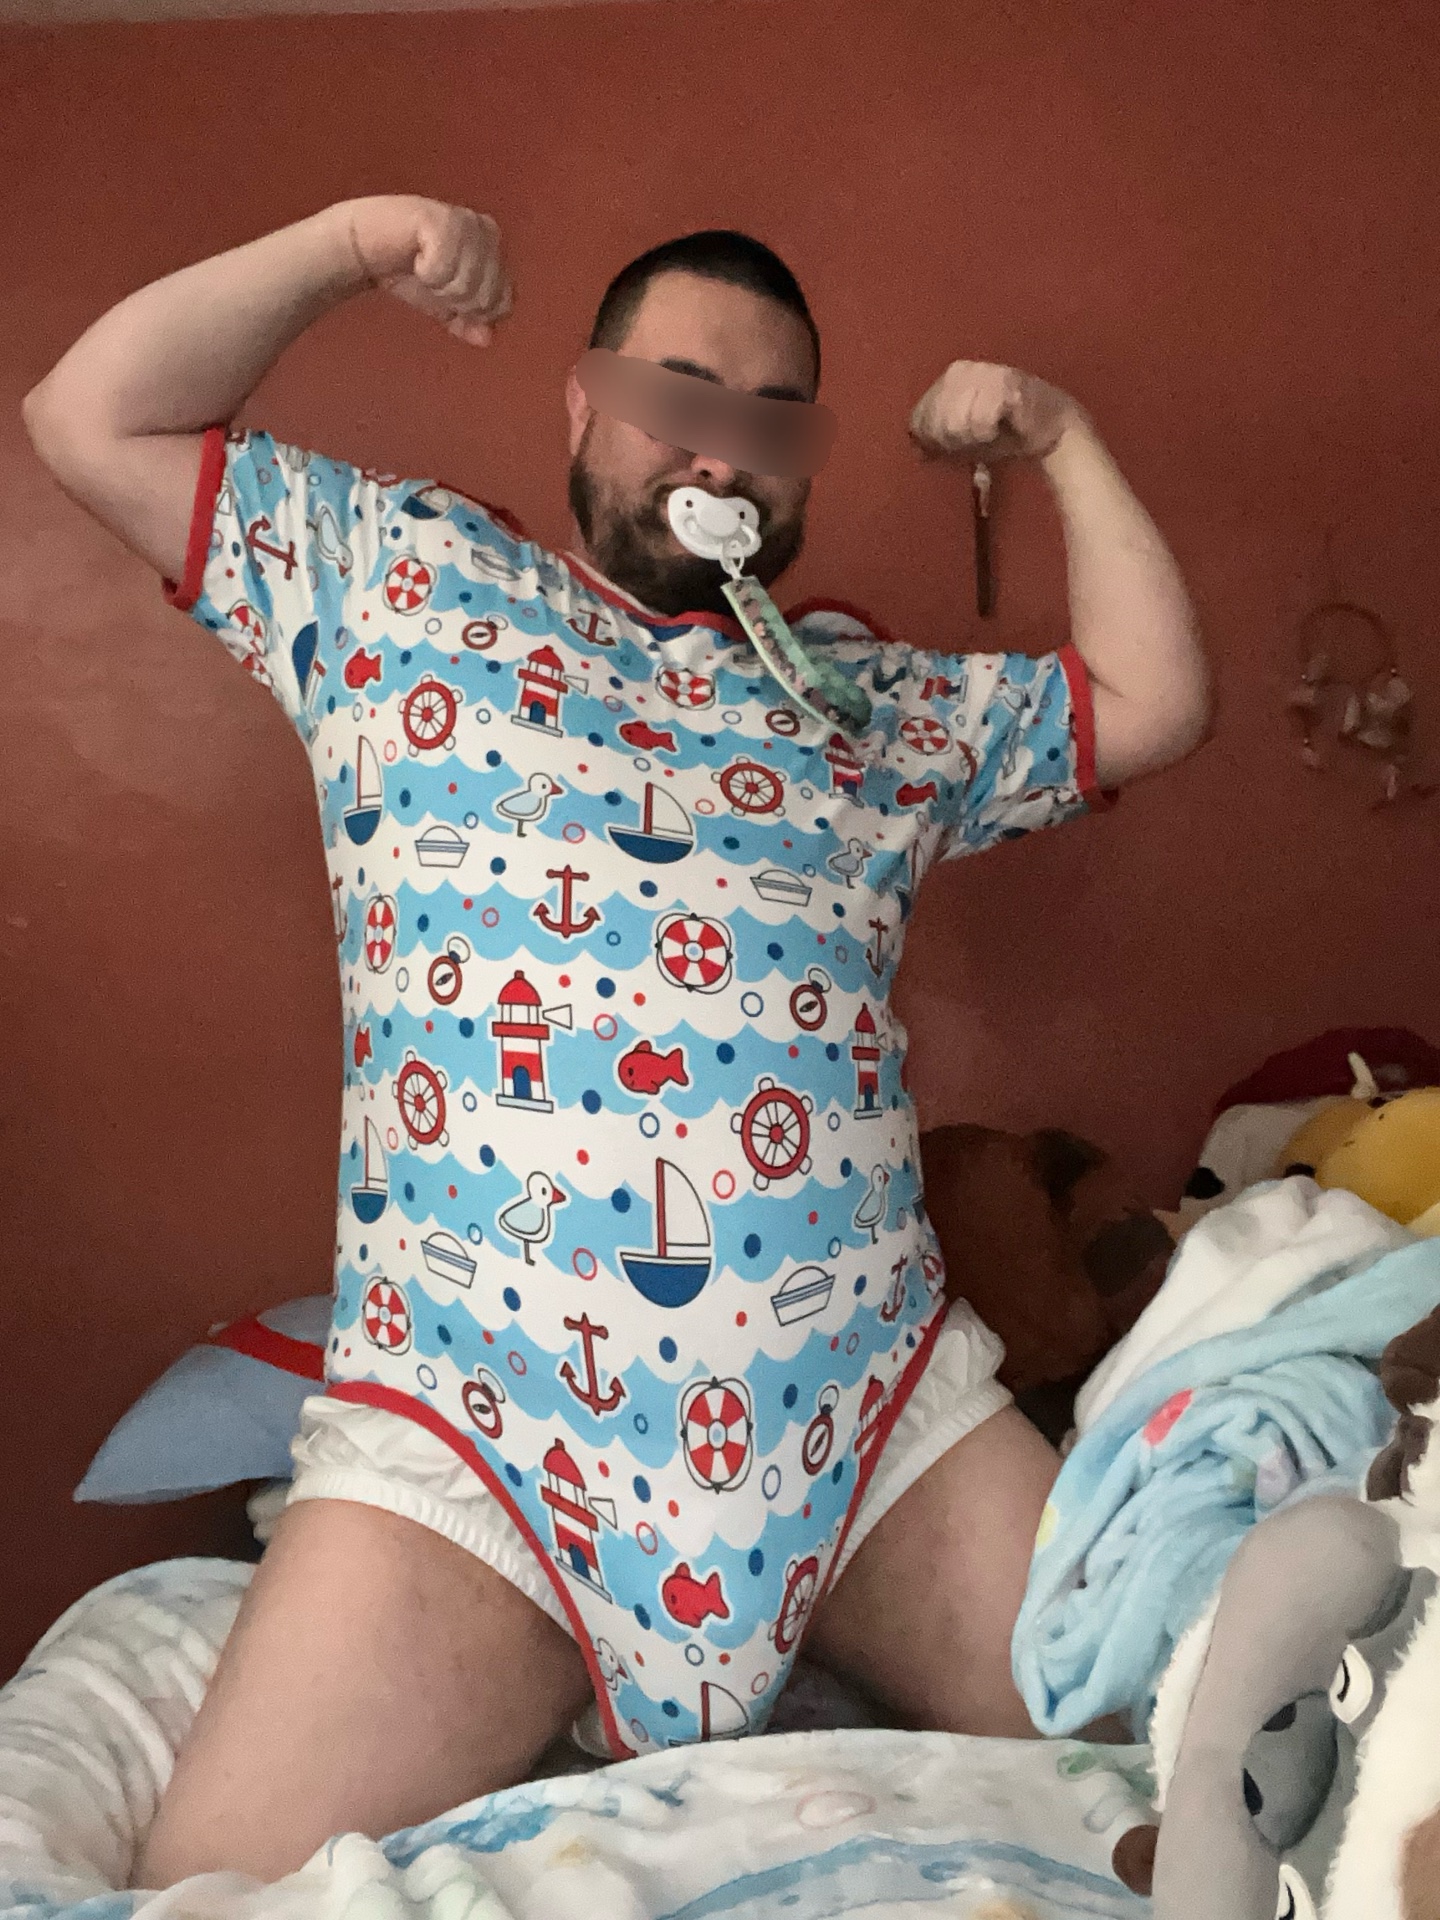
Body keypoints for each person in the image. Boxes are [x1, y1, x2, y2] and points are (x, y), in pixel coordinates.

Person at [23, 194, 1210, 1887]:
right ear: (581, 401)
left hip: (872, 1425)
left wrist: (1063, 439)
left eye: (774, 420)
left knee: (1221, 1762)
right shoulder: (397, 579)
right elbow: (88, 416)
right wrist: (352, 244)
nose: (723, 453)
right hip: (478, 1441)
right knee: (212, 1893)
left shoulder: (867, 702)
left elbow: (1155, 701)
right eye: (678, 396)